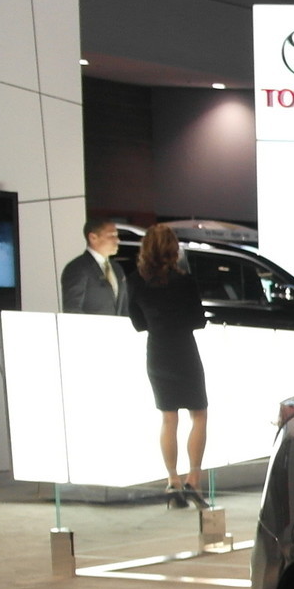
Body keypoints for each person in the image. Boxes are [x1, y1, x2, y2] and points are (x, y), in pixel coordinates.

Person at [128, 224, 209, 507]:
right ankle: (193, 480)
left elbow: (138, 323)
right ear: (173, 250)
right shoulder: (185, 281)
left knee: (168, 418)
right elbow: (199, 320)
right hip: (184, 350)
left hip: (158, 352)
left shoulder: (135, 281)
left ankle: (172, 481)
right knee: (198, 414)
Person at [59, 217, 128, 316]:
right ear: (93, 238)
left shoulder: (117, 268)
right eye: (111, 235)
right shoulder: (78, 267)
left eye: (116, 235)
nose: (117, 240)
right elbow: (72, 309)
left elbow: (123, 308)